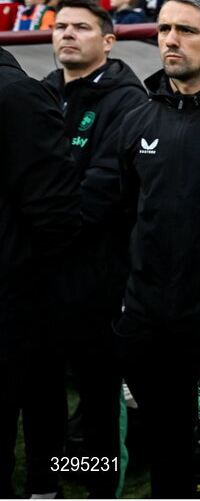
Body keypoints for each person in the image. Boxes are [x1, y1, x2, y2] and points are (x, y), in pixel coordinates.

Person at [26, 0, 147, 499]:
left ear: (108, 40)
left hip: (98, 277)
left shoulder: (126, 99)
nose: (66, 35)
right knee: (40, 390)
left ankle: (98, 490)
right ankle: (44, 483)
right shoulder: (38, 94)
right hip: (38, 274)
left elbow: (102, 191)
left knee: (98, 395)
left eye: (80, 27)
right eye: (60, 28)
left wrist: (37, 221)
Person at [115, 0, 200, 498]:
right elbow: (123, 215)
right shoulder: (137, 118)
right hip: (144, 318)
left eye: (186, 30)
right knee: (166, 452)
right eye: (164, 29)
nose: (171, 40)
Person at [0, 46, 80, 500]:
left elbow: (54, 210)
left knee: (41, 400)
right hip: (20, 289)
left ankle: (46, 485)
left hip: (20, 295)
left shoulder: (17, 95)